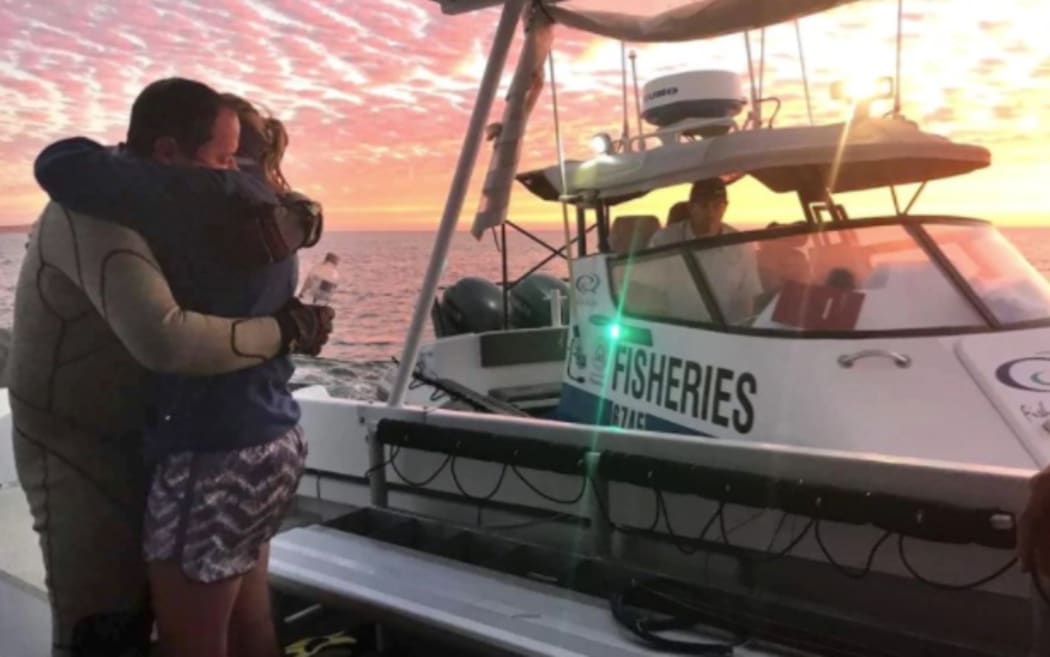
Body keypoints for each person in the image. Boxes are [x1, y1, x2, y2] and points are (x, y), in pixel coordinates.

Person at [12, 78, 332, 657]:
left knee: (169, 636)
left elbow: (167, 342)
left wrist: (284, 330)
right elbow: (168, 339)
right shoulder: (263, 220)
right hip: (255, 437)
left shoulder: (188, 210)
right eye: (221, 157)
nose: (228, 171)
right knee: (221, 619)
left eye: (234, 159)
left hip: (202, 449)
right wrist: (289, 329)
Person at [648, 178, 762, 323]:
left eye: (716, 206)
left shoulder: (740, 244)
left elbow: (745, 300)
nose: (710, 212)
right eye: (703, 206)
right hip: (673, 327)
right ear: (691, 207)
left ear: (725, 207)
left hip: (722, 331)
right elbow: (651, 294)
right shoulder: (663, 240)